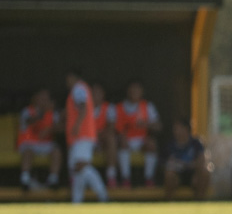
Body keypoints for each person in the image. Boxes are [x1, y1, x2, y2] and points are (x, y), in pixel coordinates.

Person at [64, 70, 108, 204]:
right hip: (83, 135)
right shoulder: (81, 88)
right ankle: (77, 201)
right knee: (77, 170)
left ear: (73, 77)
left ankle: (103, 195)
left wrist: (77, 125)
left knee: (81, 166)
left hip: (82, 134)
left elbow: (82, 107)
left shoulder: (78, 88)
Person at [112, 80, 162, 187]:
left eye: (137, 89)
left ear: (142, 91)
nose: (134, 92)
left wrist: (146, 124)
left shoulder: (147, 106)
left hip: (141, 141)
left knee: (151, 144)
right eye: (132, 89)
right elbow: (113, 129)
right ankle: (126, 179)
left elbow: (158, 126)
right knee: (122, 143)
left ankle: (149, 179)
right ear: (127, 91)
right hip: (124, 141)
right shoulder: (118, 108)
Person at [17, 89, 60, 190]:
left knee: (56, 151)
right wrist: (42, 112)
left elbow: (61, 127)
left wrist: (51, 128)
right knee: (28, 151)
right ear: (35, 98)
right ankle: (25, 180)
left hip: (46, 144)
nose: (44, 100)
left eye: (46, 98)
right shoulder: (27, 110)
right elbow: (29, 121)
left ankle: (53, 179)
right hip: (29, 143)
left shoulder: (52, 112)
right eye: (41, 97)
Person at [162, 118, 212, 199]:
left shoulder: (196, 143)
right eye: (175, 129)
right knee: (169, 175)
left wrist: (187, 165)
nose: (175, 131)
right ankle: (169, 202)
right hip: (177, 176)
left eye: (178, 128)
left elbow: (202, 161)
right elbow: (166, 164)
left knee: (205, 172)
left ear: (186, 129)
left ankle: (200, 202)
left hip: (193, 175)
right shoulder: (170, 146)